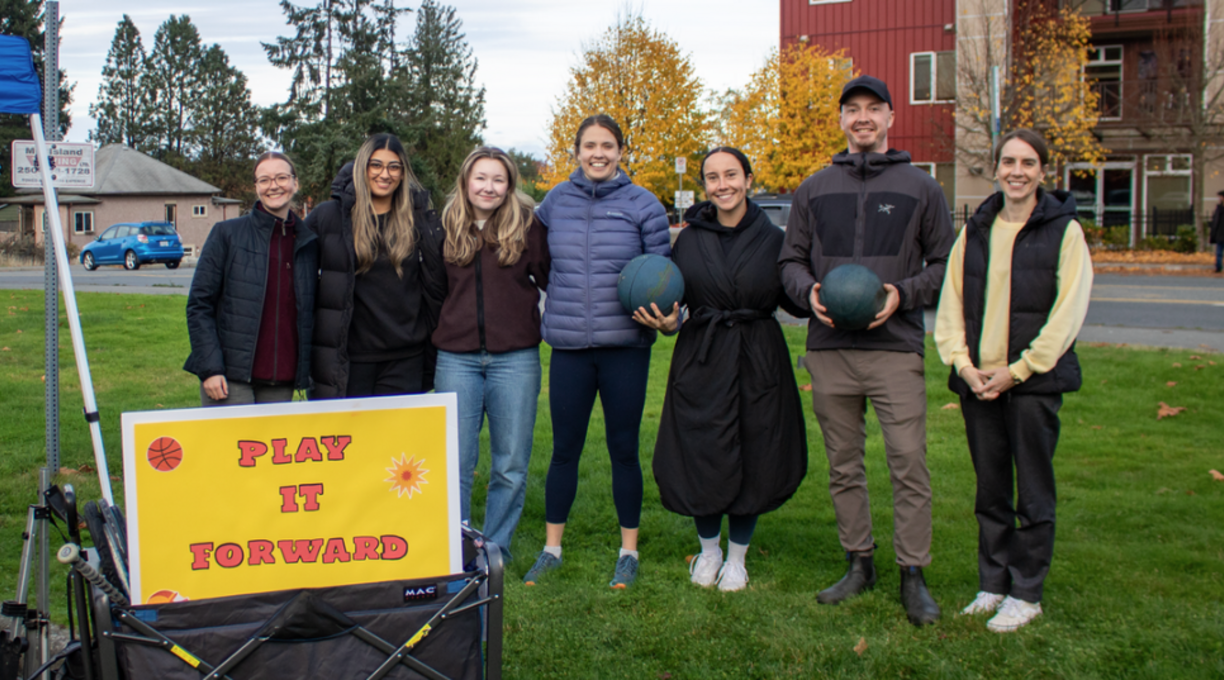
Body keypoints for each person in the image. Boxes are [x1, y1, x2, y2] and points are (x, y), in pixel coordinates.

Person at [778, 75, 955, 626]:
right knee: (844, 465)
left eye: (872, 109)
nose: (862, 118)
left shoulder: (921, 188)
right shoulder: (813, 189)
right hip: (831, 348)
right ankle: (859, 563)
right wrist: (808, 293)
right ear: (841, 120)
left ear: (889, 118)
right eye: (852, 109)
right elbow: (790, 263)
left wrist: (903, 294)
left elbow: (946, 265)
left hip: (894, 347)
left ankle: (913, 573)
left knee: (908, 461)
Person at [934, 128, 1093, 633]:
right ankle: (993, 582)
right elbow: (950, 304)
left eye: (1028, 163)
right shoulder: (977, 228)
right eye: (1008, 162)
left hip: (1032, 383)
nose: (1017, 171)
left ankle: (1027, 592)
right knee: (991, 489)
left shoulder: (1064, 232)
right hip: (979, 382)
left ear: (1043, 171)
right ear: (997, 167)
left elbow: (1067, 316)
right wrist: (963, 365)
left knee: (1034, 493)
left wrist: (1018, 371)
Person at [521, 114, 672, 589]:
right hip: (568, 347)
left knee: (623, 450)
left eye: (608, 145)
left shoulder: (644, 205)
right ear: (576, 151)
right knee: (564, 451)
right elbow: (534, 260)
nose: (599, 153)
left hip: (626, 347)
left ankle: (628, 552)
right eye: (590, 145)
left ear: (621, 151)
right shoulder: (554, 204)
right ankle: (551, 549)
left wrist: (671, 318)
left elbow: (663, 278)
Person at [649, 147, 809, 592]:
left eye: (731, 175)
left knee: (756, 448)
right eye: (713, 177)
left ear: (749, 179)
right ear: (704, 186)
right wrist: (668, 322)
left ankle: (737, 558)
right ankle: (708, 551)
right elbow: (675, 304)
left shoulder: (775, 239)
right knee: (703, 448)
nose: (723, 185)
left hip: (759, 356)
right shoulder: (690, 239)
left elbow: (795, 298)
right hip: (702, 355)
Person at [432, 147, 551, 560]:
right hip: (456, 359)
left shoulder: (528, 226)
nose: (489, 187)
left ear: (510, 184)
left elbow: (553, 278)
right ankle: (459, 545)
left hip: (515, 360)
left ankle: (494, 548)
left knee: (510, 463)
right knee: (456, 463)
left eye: (498, 179)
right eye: (481, 178)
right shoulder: (443, 226)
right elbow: (431, 290)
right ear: (466, 181)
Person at [308, 133, 447, 398]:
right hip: (349, 359)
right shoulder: (329, 218)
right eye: (376, 165)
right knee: (352, 440)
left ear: (403, 173)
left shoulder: (419, 221)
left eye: (394, 166)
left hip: (405, 359)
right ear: (362, 167)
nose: (385, 174)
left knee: (396, 440)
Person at [185, 152, 318, 406]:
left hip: (281, 379)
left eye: (281, 177)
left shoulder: (307, 242)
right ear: (256, 187)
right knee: (229, 446)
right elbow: (199, 305)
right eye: (265, 180)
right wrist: (211, 369)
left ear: (295, 183)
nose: (274, 186)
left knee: (272, 446)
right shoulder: (227, 234)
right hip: (230, 379)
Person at [1210, 190, 1223, 273]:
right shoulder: (1219, 208)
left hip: (1220, 233)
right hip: (1220, 234)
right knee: (1219, 252)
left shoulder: (1219, 209)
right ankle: (1218, 267)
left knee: (1219, 251)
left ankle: (1218, 267)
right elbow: (1215, 221)